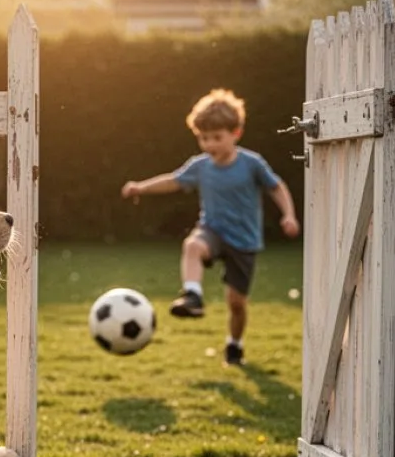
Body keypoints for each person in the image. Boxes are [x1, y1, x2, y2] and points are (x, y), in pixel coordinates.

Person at [121, 88, 299, 365]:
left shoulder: (252, 164)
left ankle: (235, 344)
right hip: (212, 231)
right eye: (204, 138)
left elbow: (276, 187)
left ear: (235, 133)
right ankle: (192, 295)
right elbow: (173, 180)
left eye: (217, 138)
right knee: (192, 245)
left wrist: (288, 215)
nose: (210, 145)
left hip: (244, 240)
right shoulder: (201, 166)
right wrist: (140, 188)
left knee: (236, 304)